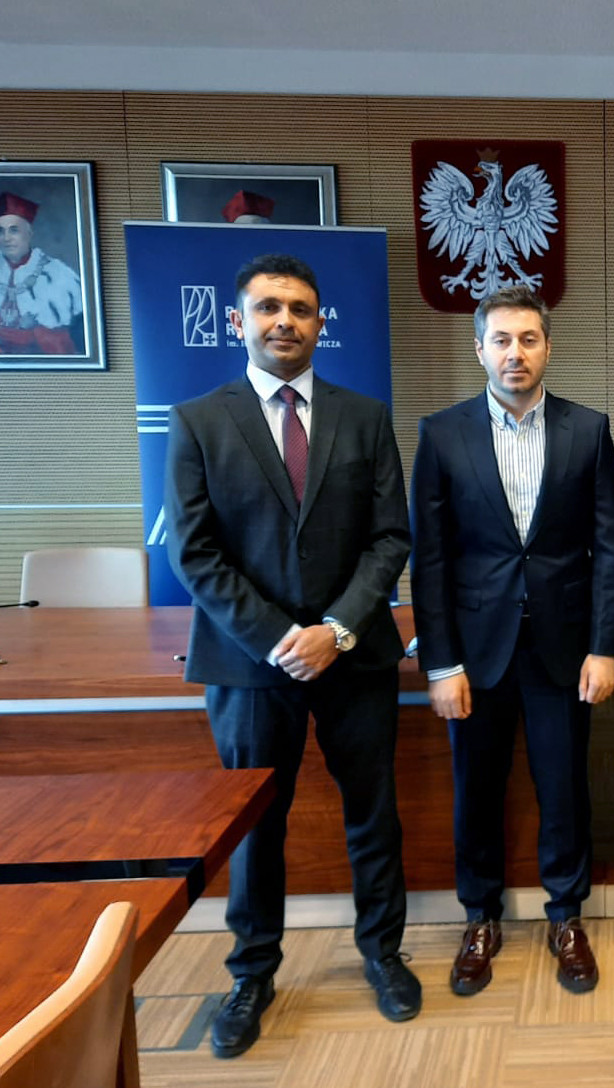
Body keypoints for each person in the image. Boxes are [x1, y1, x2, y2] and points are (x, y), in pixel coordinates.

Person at [164, 253, 418, 1057]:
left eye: (301, 309)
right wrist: (279, 638)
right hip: (249, 664)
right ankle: (252, 975)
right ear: (237, 321)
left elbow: (390, 538)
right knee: (256, 827)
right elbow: (195, 553)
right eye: (269, 307)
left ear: (319, 324)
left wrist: (334, 631)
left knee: (372, 814)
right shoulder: (198, 420)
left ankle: (383, 954)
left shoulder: (365, 417)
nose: (285, 321)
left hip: (354, 657)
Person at [410, 285, 614, 996]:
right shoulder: (442, 434)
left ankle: (566, 916)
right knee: (476, 790)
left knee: (564, 789)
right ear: (479, 348)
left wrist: (605, 646)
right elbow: (430, 559)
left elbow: (609, 547)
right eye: (501, 340)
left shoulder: (587, 430)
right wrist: (440, 662)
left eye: (528, 339)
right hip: (475, 653)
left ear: (547, 348)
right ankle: (480, 918)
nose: (515, 353)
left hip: (563, 649)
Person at [0, 190, 85, 355]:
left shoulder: (57, 274)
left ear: (29, 234)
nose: (6, 238)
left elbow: (74, 342)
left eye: (14, 230)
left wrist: (34, 335)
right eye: (0, 231)